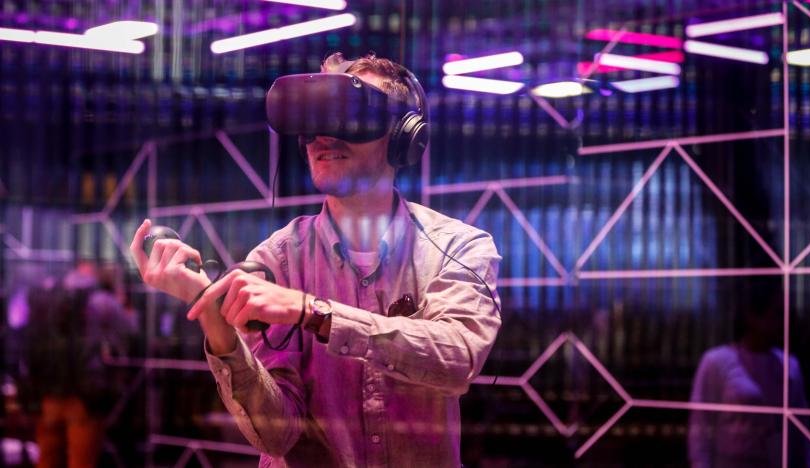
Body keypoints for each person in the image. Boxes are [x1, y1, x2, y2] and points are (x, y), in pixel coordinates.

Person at [129, 52, 502, 466]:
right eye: (315, 116)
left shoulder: (459, 247)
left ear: (403, 135)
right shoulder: (278, 261)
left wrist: (315, 313)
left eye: (349, 115)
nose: (323, 135)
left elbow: (458, 360)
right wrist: (214, 317)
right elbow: (277, 434)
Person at [21, 262, 137, 468]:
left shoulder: (48, 295)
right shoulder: (101, 299)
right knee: (82, 462)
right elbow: (130, 330)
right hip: (84, 395)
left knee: (47, 459)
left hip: (48, 393)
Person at [688, 287, 810, 468]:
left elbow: (801, 429)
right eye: (778, 314)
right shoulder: (717, 362)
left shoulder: (790, 365)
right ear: (753, 317)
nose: (785, 322)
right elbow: (699, 427)